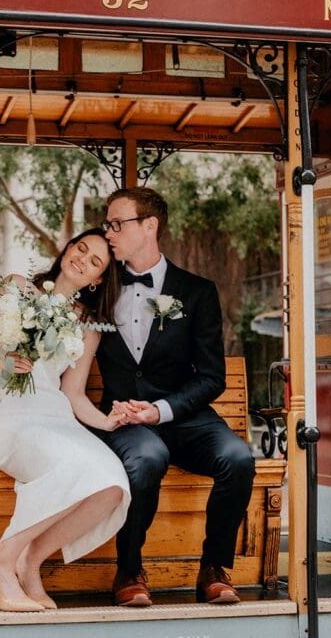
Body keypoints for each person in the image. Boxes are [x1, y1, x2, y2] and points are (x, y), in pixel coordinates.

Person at [95, 187, 255, 607]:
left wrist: (162, 410)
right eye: (106, 224)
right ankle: (129, 571)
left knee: (239, 459)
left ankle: (214, 569)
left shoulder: (197, 291)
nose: (108, 232)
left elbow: (212, 377)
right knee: (147, 459)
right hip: (126, 417)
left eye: (117, 223)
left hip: (185, 415)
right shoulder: (97, 290)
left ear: (150, 226)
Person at [0, 228, 132, 612]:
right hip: (6, 412)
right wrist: (3, 365)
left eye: (95, 262)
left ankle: (29, 561)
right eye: (81, 249)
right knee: (73, 465)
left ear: (98, 280)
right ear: (67, 249)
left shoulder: (88, 323)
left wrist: (107, 422)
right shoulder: (17, 288)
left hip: (53, 416)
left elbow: (73, 393)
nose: (83, 260)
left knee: (111, 483)